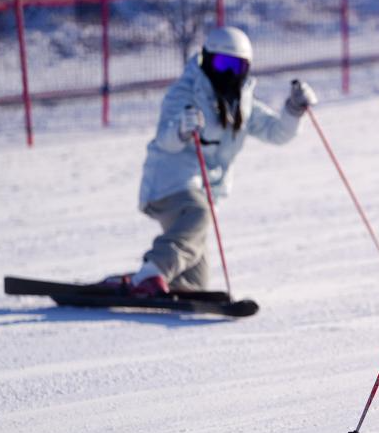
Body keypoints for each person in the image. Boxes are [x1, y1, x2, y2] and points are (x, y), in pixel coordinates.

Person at [126, 26, 318, 297]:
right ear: (206, 60)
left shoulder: (242, 103)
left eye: (236, 67)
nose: (228, 74)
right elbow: (164, 139)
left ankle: (143, 280)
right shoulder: (186, 93)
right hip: (169, 185)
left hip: (203, 194)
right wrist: (181, 129)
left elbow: (276, 133)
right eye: (221, 64)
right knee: (200, 214)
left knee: (195, 281)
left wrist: (293, 110)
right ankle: (153, 271)